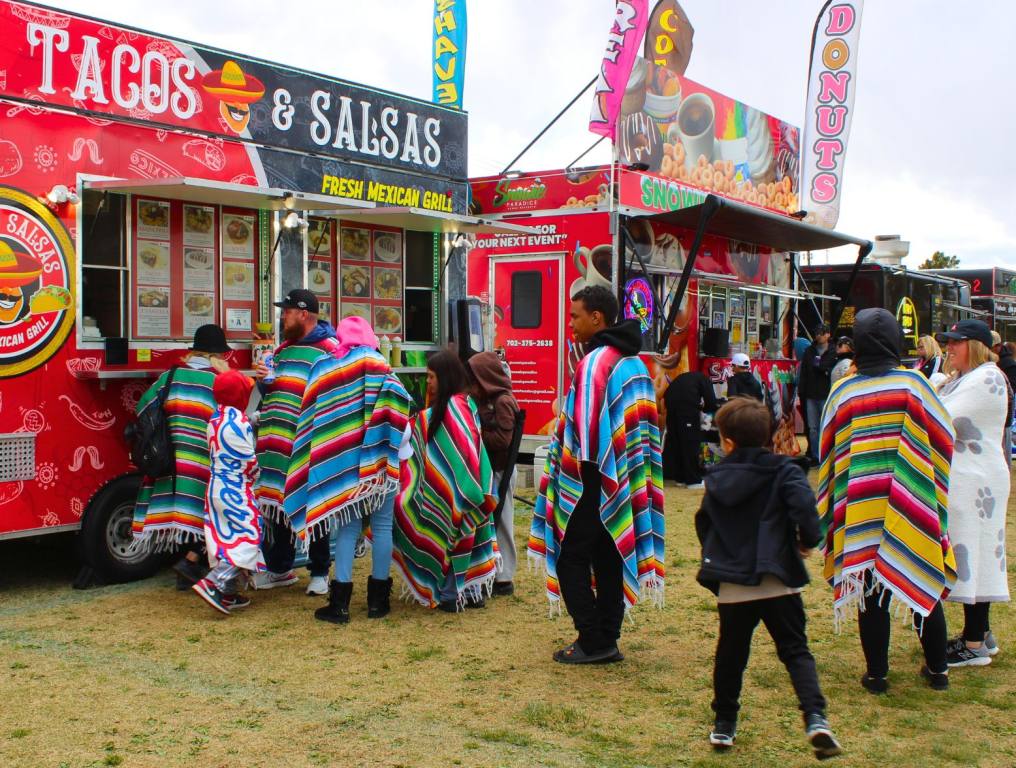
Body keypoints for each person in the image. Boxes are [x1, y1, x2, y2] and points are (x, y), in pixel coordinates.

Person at [818, 309, 956, 692]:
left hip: (861, 502)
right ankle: (938, 670)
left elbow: (827, 450)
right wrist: (927, 483)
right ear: (897, 342)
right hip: (912, 499)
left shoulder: (844, 390)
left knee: (869, 587)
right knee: (917, 565)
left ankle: (877, 675)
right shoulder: (915, 385)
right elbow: (944, 437)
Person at [696, 398, 840, 759]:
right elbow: (807, 512)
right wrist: (805, 543)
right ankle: (815, 717)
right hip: (777, 576)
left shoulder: (716, 479)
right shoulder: (785, 471)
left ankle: (724, 724)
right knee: (795, 650)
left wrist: (719, 556)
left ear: (726, 441)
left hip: (734, 582)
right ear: (771, 435)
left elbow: (704, 523)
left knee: (731, 653)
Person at [529, 286, 665, 664]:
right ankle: (608, 636)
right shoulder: (636, 362)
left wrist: (580, 481)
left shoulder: (596, 363)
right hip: (624, 476)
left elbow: (588, 435)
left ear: (597, 318)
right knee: (609, 555)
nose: (570, 324)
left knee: (570, 555)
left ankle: (591, 638)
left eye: (575, 316)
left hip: (591, 475)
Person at [286, 316, 412, 623]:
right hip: (380, 464)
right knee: (382, 528)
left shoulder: (325, 367)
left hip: (340, 466)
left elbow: (311, 421)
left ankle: (339, 602)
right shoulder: (383, 367)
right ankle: (378, 603)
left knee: (347, 529)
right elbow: (401, 410)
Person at [393, 350, 499, 612]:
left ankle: (452, 593)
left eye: (431, 377)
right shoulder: (464, 404)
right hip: (469, 488)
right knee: (457, 527)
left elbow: (456, 452)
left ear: (445, 378)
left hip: (462, 488)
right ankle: (469, 591)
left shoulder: (452, 409)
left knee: (416, 514)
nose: (428, 382)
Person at [934, 320, 1011, 667]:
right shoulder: (970, 378)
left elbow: (940, 416)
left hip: (978, 480)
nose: (949, 348)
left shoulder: (986, 378)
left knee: (974, 555)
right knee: (974, 553)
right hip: (973, 477)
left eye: (956, 342)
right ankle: (980, 633)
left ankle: (975, 641)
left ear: (975, 345)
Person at [253, 289, 339, 595]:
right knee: (278, 505)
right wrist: (264, 383)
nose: (281, 316)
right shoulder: (282, 351)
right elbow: (274, 393)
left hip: (309, 443)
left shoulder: (330, 350)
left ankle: (319, 571)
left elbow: (336, 394)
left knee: (314, 504)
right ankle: (280, 568)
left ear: (304, 314)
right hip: (277, 444)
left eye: (286, 311)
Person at [131, 324, 231, 587]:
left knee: (182, 516)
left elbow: (143, 407)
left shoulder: (171, 376)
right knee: (210, 514)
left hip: (172, 461)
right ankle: (191, 563)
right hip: (204, 460)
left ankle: (187, 569)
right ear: (218, 355)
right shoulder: (218, 381)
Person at [192, 370, 265, 614]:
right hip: (234, 488)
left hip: (215, 487)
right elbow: (249, 461)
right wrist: (257, 479)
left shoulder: (216, 418)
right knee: (248, 537)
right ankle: (215, 582)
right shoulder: (237, 422)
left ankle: (229, 593)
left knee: (224, 538)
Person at [466, 351, 521, 597]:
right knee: (489, 522)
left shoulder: (503, 401)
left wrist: (475, 434)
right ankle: (489, 570)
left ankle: (504, 576)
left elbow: (502, 439)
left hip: (501, 470)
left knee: (504, 521)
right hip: (489, 470)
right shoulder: (484, 399)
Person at [664, 370, 719, 488]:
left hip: (670, 406)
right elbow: (711, 402)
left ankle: (680, 478)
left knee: (677, 442)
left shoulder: (686, 377)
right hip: (686, 409)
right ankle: (693, 480)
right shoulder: (705, 379)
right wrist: (705, 409)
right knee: (690, 443)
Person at [799, 324, 836, 466]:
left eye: (821, 333)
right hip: (810, 393)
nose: (818, 336)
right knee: (812, 427)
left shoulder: (833, 351)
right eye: (816, 333)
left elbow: (830, 370)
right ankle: (815, 456)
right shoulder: (809, 351)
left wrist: (823, 369)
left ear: (827, 335)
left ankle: (826, 455)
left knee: (825, 426)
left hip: (826, 393)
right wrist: (802, 390)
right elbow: (804, 372)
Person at [991, 331, 1015, 463]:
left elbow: (1010, 392)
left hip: (1003, 417)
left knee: (1002, 455)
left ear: (998, 346)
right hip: (997, 415)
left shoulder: (1009, 364)